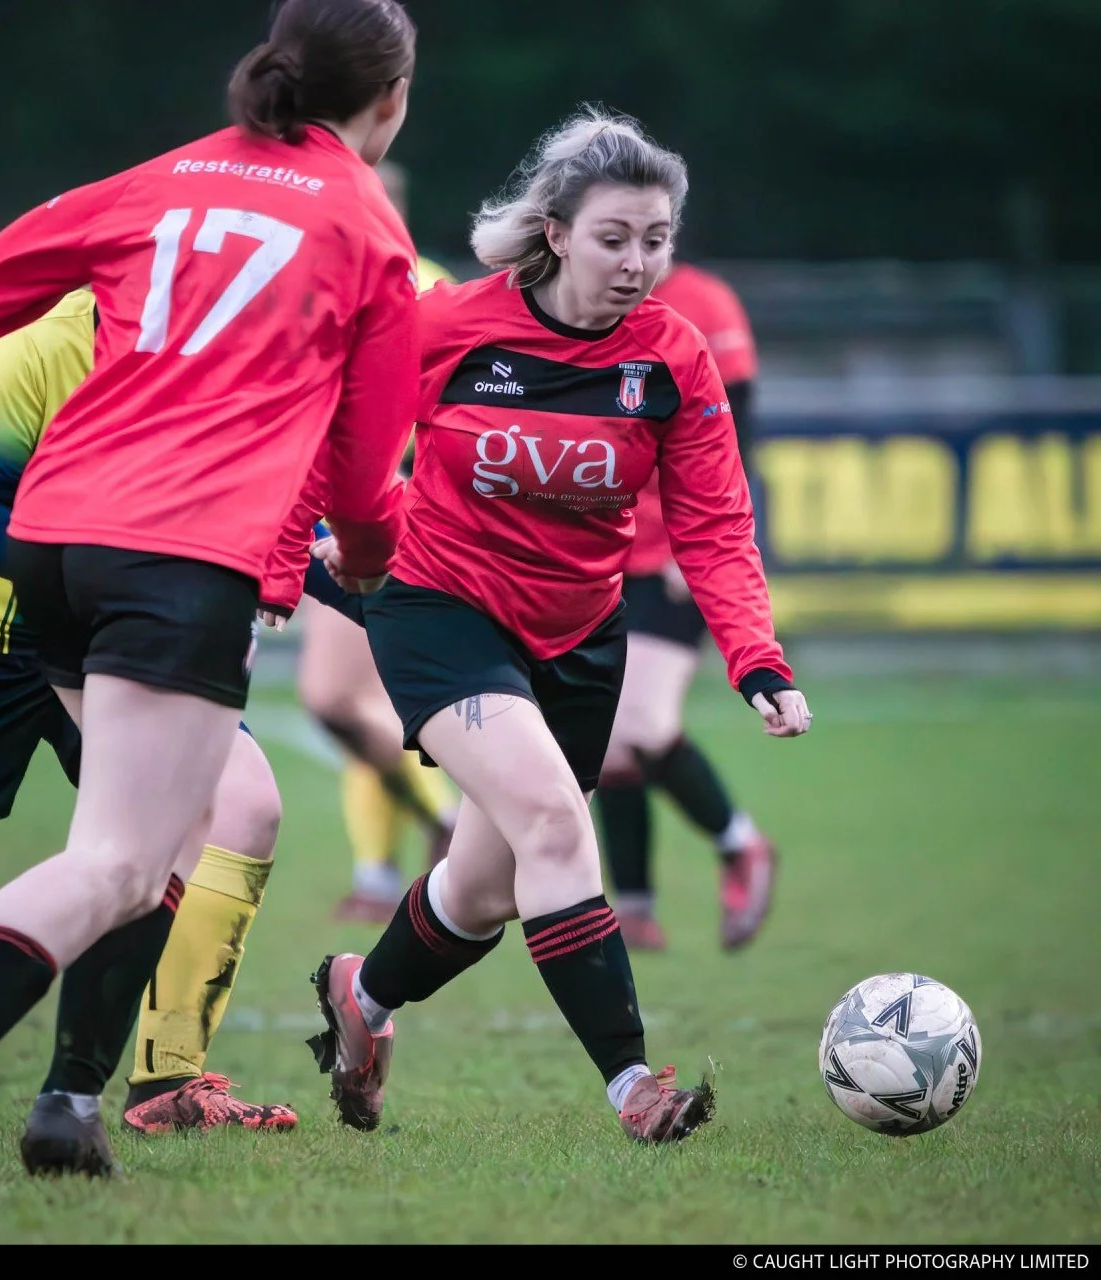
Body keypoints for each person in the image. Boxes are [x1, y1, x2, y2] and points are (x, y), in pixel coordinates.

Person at [0, 0, 420, 1182]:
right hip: (168, 565)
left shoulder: (157, 180)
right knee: (114, 857)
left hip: (58, 548)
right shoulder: (367, 225)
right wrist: (366, 552)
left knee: (175, 831)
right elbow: (361, 470)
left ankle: (68, 1106)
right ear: (391, 103)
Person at [297, 108, 813, 1145]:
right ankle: (633, 1085)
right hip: (437, 605)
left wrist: (754, 656)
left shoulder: (671, 356)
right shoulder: (449, 326)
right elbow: (336, 446)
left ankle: (361, 998)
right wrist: (287, 556)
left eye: (655, 239)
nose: (635, 262)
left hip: (579, 636)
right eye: (613, 238)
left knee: (484, 890)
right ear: (556, 232)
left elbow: (714, 524)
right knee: (551, 821)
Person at [0, 289, 300, 1150]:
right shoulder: (48, 341)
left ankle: (160, 1082)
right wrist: (123, 580)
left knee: (239, 806)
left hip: (122, 645)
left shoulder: (239, 347)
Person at [294, 157, 457, 925]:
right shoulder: (315, 285)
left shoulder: (427, 289)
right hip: (324, 511)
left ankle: (448, 823)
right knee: (359, 705)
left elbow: (454, 416)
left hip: (390, 519)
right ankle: (386, 866)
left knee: (337, 699)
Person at [597, 257, 777, 952]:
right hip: (596, 552)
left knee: (641, 724)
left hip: (674, 555)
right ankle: (635, 907)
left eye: (651, 229)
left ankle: (740, 842)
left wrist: (695, 543)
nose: (634, 249)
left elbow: (741, 434)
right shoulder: (567, 299)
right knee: (608, 738)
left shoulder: (703, 302)